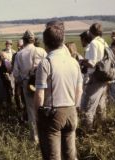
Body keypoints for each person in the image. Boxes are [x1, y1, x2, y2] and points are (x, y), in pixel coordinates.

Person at [34, 24, 83, 160]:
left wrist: (37, 114)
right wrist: (75, 107)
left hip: (53, 112)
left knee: (53, 156)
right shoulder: (74, 62)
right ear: (62, 40)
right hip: (71, 110)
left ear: (46, 43)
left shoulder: (46, 63)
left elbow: (39, 93)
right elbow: (79, 89)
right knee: (70, 155)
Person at [13, 30, 47, 143]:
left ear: (24, 40)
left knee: (31, 112)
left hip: (27, 85)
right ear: (33, 39)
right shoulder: (41, 51)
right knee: (46, 109)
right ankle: (47, 136)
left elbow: (16, 74)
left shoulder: (19, 54)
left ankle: (35, 138)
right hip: (43, 84)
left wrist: (21, 81)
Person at [81, 23, 109, 130]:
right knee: (101, 108)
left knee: (87, 107)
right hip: (104, 78)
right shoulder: (104, 42)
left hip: (95, 77)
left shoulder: (93, 43)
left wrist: (82, 62)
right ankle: (102, 130)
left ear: (91, 32)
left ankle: (86, 132)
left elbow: (92, 63)